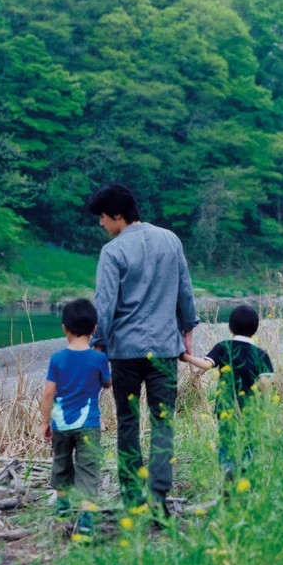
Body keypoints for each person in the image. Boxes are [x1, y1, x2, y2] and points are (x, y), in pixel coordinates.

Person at [88, 183, 199, 512]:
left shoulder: (113, 252)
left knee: (127, 421)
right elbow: (185, 290)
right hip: (165, 348)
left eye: (103, 217)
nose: (101, 224)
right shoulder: (170, 240)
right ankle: (159, 496)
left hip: (125, 352)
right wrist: (187, 330)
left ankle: (132, 496)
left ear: (119, 215)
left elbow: (104, 305)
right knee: (163, 421)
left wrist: (97, 345)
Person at [41, 298, 111, 535]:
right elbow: (108, 383)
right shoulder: (98, 359)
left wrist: (44, 422)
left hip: (61, 424)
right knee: (88, 471)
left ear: (64, 328)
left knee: (61, 464)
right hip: (89, 425)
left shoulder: (57, 358)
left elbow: (48, 393)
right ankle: (86, 523)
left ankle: (61, 514)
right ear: (94, 329)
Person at [180, 303, 274, 480]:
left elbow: (206, 365)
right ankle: (247, 470)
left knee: (226, 439)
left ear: (230, 328)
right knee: (250, 440)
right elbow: (263, 383)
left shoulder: (223, 347)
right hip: (250, 406)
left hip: (225, 404)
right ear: (255, 329)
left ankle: (227, 468)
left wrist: (185, 357)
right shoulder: (260, 354)